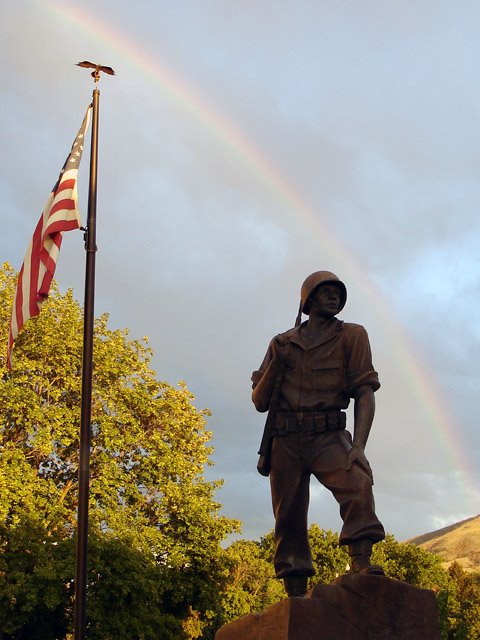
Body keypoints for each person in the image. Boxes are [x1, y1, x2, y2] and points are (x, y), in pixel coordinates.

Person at [251, 271, 385, 598]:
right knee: (289, 515)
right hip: (286, 439)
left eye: (338, 292)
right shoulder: (281, 343)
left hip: (329, 433)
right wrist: (275, 364)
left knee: (357, 482)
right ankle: (294, 591)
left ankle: (361, 562)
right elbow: (260, 402)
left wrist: (359, 446)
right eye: (325, 291)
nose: (334, 297)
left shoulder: (353, 336)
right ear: (308, 299)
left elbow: (365, 392)